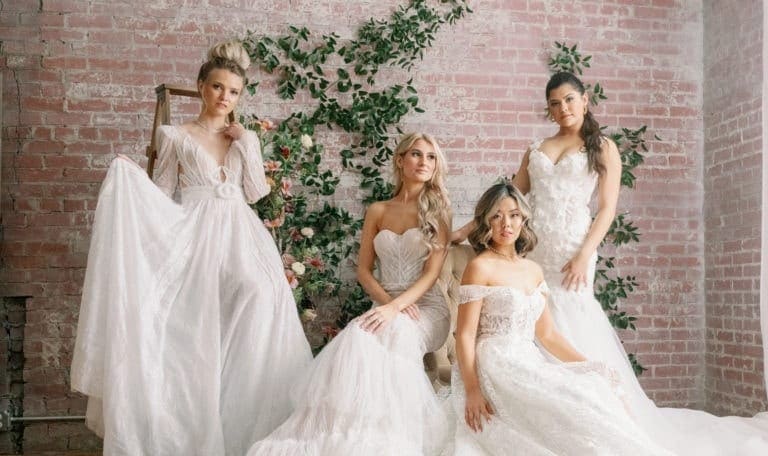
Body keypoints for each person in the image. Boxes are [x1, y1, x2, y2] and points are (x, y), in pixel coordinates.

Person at [454, 71, 768, 454]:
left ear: (585, 101)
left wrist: (584, 254)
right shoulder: (536, 149)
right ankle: (539, 405)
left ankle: (593, 405)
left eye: (569, 99)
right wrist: (463, 231)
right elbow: (512, 198)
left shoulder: (602, 147)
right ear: (548, 110)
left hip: (572, 247)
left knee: (571, 316)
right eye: (554, 103)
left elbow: (607, 208)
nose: (563, 108)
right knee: (535, 316)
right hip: (534, 250)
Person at [70, 40, 312, 455]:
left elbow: (255, 193)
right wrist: (131, 182)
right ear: (202, 86)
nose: (224, 97)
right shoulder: (176, 135)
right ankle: (196, 425)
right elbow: (162, 193)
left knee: (262, 297)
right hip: (194, 233)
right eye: (218, 87)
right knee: (195, 325)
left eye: (233, 92)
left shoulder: (242, 137)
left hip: (241, 232)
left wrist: (248, 144)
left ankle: (247, 424)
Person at [248, 132, 452, 455]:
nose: (424, 162)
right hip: (386, 304)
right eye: (416, 154)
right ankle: (346, 437)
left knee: (397, 332)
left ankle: (399, 442)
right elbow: (363, 271)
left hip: (424, 307)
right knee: (357, 336)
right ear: (400, 160)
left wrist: (397, 308)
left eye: (431, 157)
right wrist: (387, 305)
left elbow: (431, 276)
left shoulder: (438, 210)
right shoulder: (378, 210)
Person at [447, 182, 674, 455]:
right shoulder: (479, 266)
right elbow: (467, 335)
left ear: (523, 220)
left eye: (514, 215)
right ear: (486, 222)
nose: (506, 223)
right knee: (560, 406)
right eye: (497, 216)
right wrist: (473, 390)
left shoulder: (533, 270)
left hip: (526, 359)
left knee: (591, 389)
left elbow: (547, 335)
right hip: (493, 361)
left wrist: (589, 364)